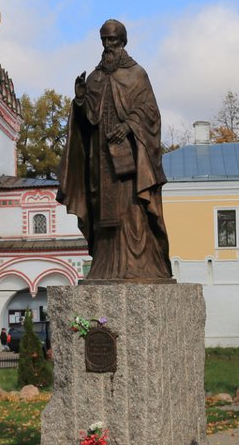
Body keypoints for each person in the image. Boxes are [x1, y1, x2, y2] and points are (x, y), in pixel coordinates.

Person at [57, 19, 172, 281]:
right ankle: (104, 264)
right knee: (100, 210)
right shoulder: (95, 77)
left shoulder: (136, 74)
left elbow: (150, 113)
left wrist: (129, 125)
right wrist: (80, 100)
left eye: (113, 40)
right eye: (104, 40)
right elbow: (88, 121)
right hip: (100, 159)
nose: (108, 45)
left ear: (123, 41)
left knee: (131, 210)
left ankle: (139, 265)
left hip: (128, 160)